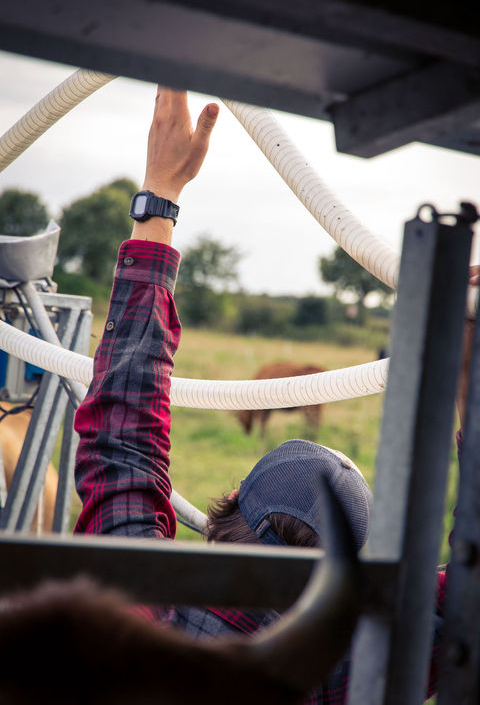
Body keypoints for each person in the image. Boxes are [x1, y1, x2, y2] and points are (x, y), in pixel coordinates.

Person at [73, 88, 465, 703]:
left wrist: (160, 197)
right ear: (351, 580)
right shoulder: (351, 673)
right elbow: (465, 595)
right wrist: (466, 360)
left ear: (228, 506)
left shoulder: (140, 610)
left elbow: (121, 439)